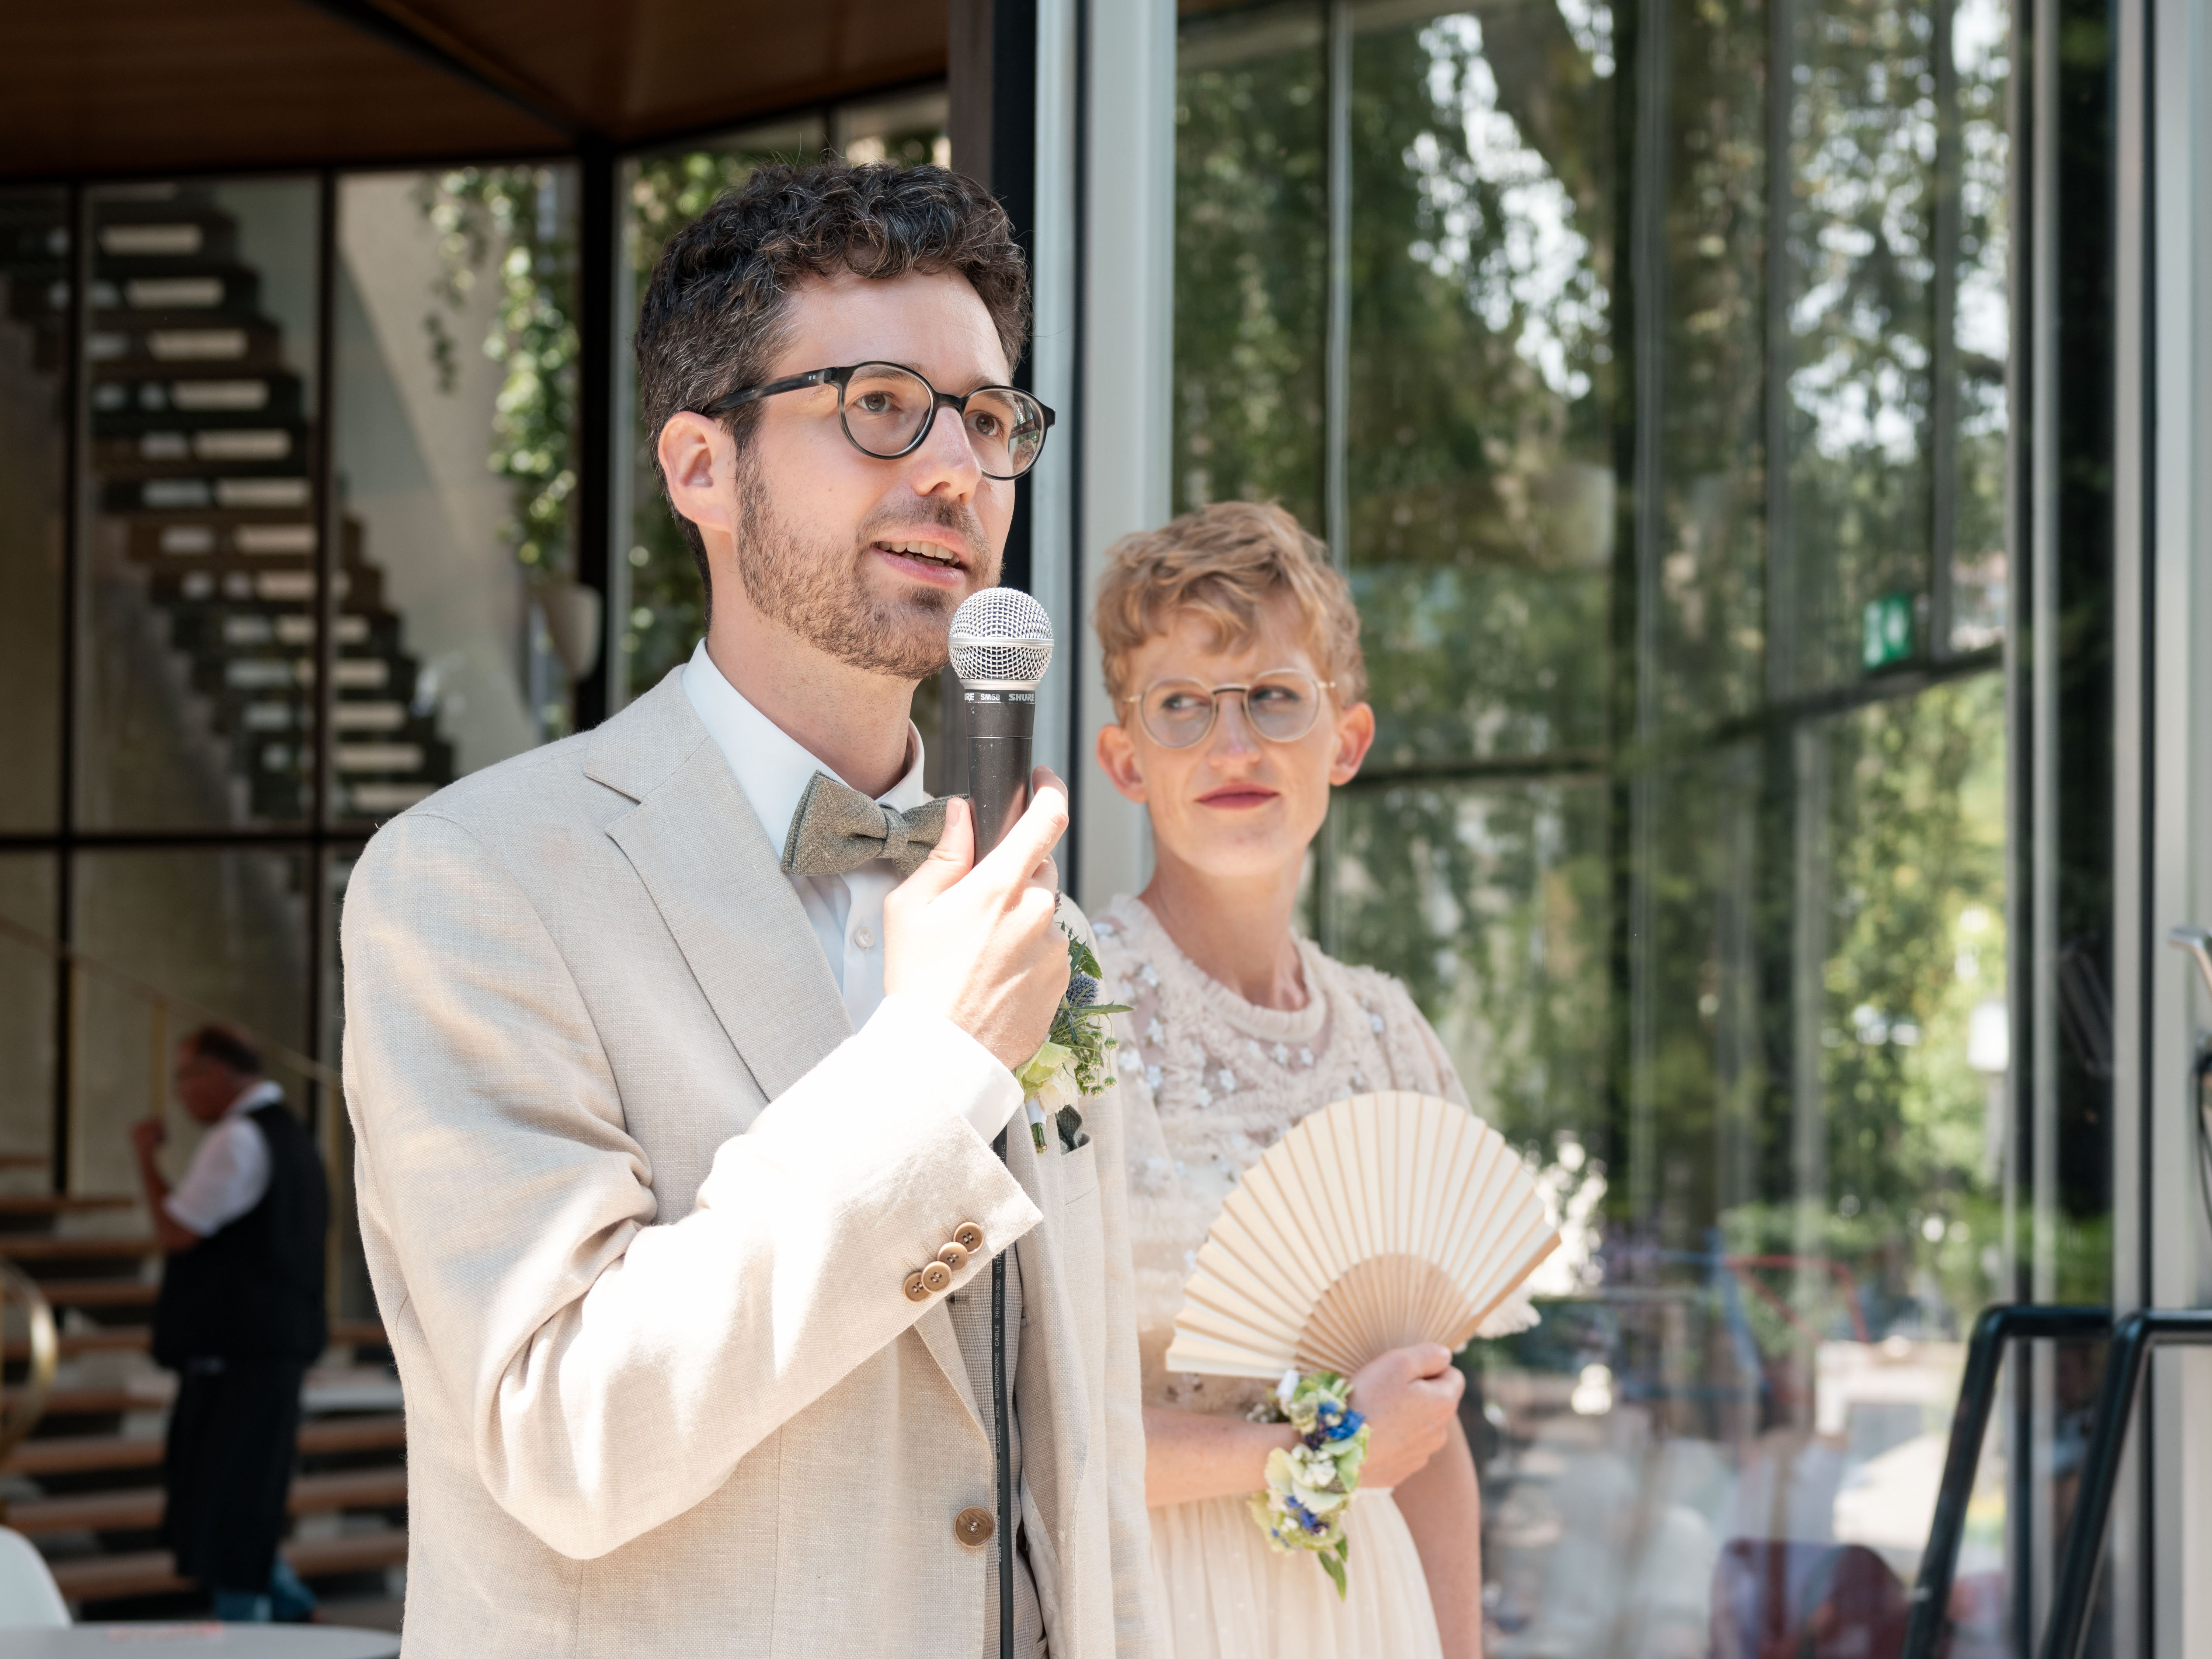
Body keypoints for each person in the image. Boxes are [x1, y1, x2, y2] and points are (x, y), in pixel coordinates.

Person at [341, 160, 1159, 1658]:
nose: (957, 470)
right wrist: (927, 1067)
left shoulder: (1051, 931)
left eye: (988, 418)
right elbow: (564, 1433)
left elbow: (1082, 1464)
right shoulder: (473, 882)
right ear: (700, 468)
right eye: (878, 406)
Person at [1089, 502, 1529, 1659]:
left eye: (1275, 698)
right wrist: (1323, 1451)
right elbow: (1028, 1425)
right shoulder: (1065, 1013)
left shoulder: (1392, 1039)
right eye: (1184, 705)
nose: (1233, 747)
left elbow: (1427, 1429)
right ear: (1127, 758)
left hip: (1365, 1612)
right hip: (1152, 1609)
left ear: (1346, 738)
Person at [131, 1023, 327, 1624]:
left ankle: (251, 1632)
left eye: (186, 1076)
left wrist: (145, 1157)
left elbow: (179, 1229)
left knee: (226, 1504)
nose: (182, 1092)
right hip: (271, 1347)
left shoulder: (237, 1138)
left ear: (219, 1073)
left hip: (239, 1355)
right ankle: (292, 1610)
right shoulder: (292, 1134)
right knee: (238, 1497)